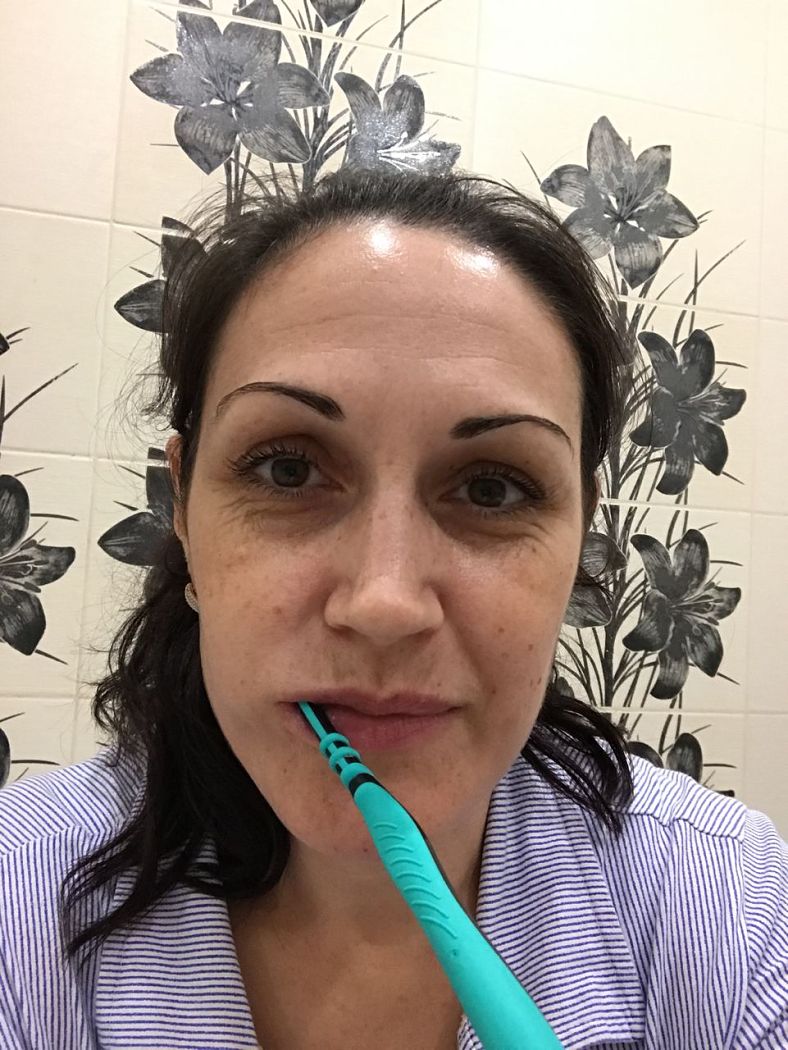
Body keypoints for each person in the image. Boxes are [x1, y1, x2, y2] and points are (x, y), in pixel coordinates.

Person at [0, 170, 785, 1050]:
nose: (384, 603)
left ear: (578, 541)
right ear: (182, 508)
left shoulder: (733, 906)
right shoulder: (15, 905)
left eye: (492, 488)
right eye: (288, 469)